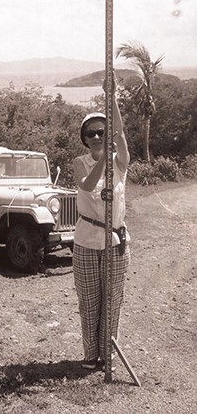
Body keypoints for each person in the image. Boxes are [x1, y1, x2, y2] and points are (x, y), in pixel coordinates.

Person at [72, 80, 130, 371]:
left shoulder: (120, 163)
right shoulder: (79, 163)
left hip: (115, 243)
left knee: (112, 301)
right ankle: (90, 354)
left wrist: (113, 97)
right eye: (91, 133)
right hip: (85, 241)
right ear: (84, 138)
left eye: (102, 132)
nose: (97, 136)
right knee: (89, 301)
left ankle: (109, 355)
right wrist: (102, 157)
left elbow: (120, 134)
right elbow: (88, 185)